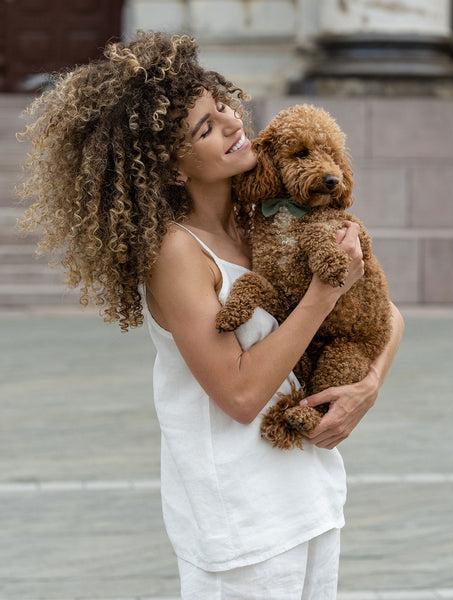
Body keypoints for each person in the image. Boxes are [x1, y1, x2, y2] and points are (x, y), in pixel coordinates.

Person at [19, 31, 404, 600]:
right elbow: (241, 395)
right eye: (204, 127)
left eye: (222, 106)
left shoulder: (266, 222)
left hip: (311, 497)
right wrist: (323, 292)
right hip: (241, 525)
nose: (230, 124)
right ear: (172, 169)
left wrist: (368, 384)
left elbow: (386, 311)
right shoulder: (177, 254)